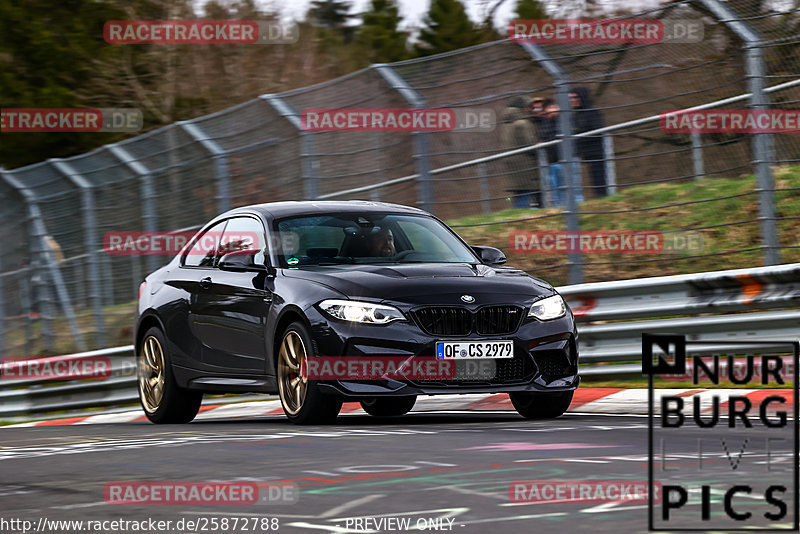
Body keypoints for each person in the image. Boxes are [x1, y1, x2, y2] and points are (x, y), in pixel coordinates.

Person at [500, 96, 539, 209]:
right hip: (525, 166)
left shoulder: (507, 125)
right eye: (528, 107)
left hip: (512, 166)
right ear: (523, 108)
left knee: (519, 196)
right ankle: (519, 220)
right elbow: (530, 144)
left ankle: (516, 218)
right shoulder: (522, 124)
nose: (530, 109)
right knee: (525, 196)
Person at [570, 86, 608, 197]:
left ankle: (603, 199)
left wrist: (580, 138)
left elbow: (597, 131)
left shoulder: (591, 112)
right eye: (570, 98)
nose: (571, 100)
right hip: (586, 153)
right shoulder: (577, 115)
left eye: (574, 97)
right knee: (594, 181)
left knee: (599, 180)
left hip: (596, 152)